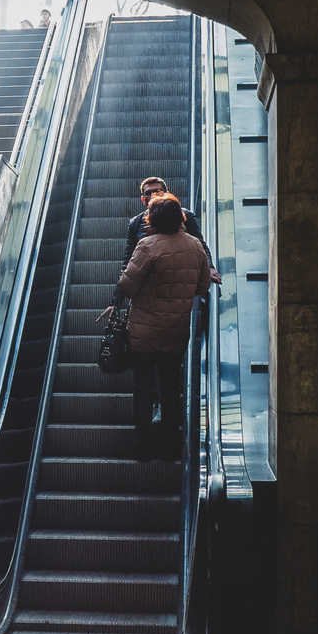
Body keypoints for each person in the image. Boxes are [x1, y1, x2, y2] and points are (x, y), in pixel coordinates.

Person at [116, 193, 211, 460]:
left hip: (144, 334)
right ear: (181, 217)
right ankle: (171, 448)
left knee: (144, 388)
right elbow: (203, 286)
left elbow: (127, 286)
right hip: (176, 332)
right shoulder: (195, 246)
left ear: (152, 219)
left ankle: (143, 448)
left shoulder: (148, 245)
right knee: (171, 388)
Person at [123, 176, 220, 285]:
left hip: (180, 278)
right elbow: (129, 258)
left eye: (157, 191)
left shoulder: (184, 216)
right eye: (148, 193)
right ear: (142, 199)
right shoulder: (136, 223)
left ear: (166, 193)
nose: (152, 196)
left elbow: (200, 244)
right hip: (149, 283)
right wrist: (117, 297)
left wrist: (209, 267)